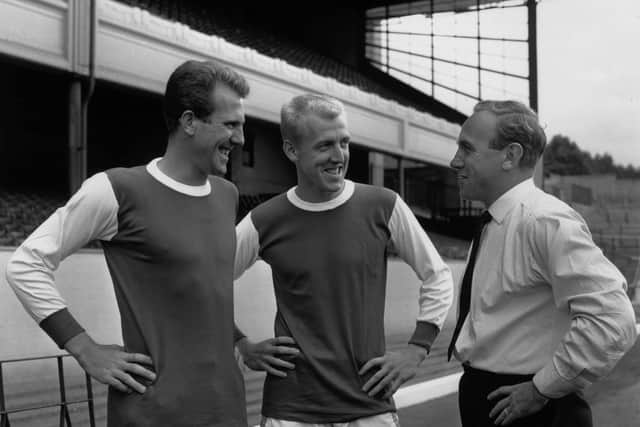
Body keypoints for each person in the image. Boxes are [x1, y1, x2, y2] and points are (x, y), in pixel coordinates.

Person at [6, 60, 252, 426]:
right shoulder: (117, 190)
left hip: (227, 410)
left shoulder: (226, 194)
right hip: (151, 414)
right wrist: (83, 347)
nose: (241, 139)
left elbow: (200, 291)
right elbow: (26, 263)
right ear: (188, 122)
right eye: (230, 124)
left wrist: (240, 340)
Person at [234, 93, 454, 426]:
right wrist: (242, 345)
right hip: (291, 410)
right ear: (292, 150)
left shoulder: (383, 205)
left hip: (370, 403)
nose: (340, 156)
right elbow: (206, 281)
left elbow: (438, 275)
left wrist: (417, 349)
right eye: (325, 146)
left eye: (345, 142)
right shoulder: (264, 219)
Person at [447, 100, 637, 427]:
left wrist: (541, 388)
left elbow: (613, 318)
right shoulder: (495, 223)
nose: (454, 161)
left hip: (533, 409)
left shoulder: (544, 222)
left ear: (511, 155)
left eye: (467, 149)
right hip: (489, 397)